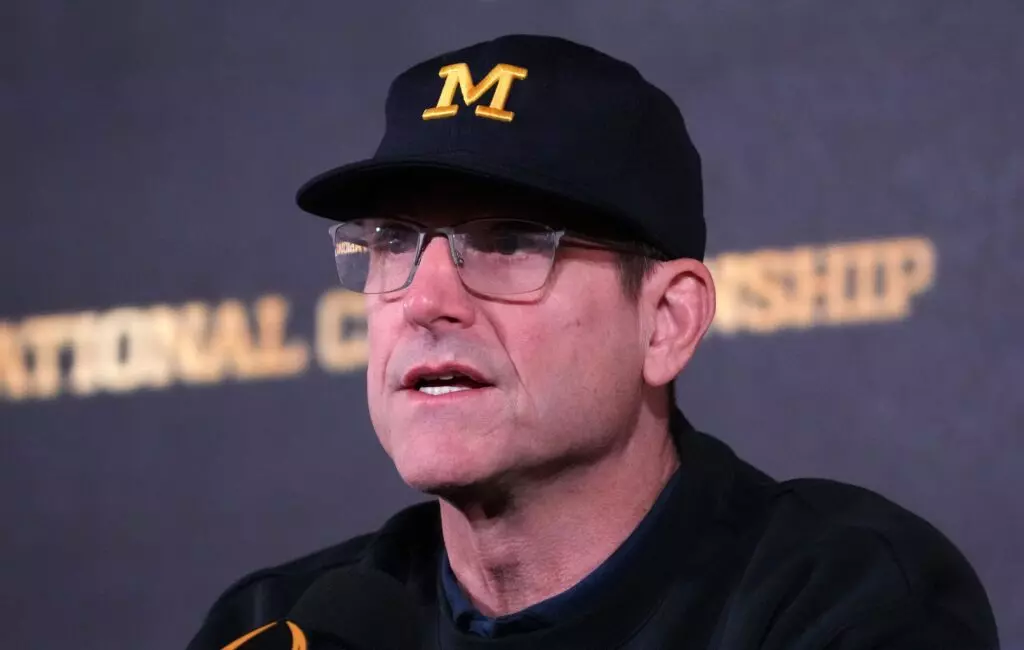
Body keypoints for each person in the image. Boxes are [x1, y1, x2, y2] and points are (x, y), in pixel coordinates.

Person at [187, 34, 998, 650]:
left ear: (667, 320)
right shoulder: (279, 628)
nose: (426, 302)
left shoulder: (842, 603)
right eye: (393, 242)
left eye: (509, 241)